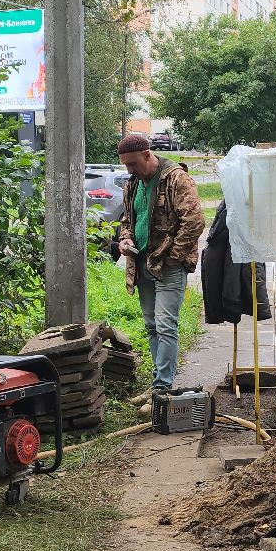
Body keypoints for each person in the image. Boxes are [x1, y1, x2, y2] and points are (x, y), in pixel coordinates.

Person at [113, 132, 204, 394]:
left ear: (147, 154)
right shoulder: (133, 184)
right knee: (152, 326)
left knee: (165, 326)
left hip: (168, 266)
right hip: (142, 264)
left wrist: (173, 257)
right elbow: (127, 222)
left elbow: (194, 221)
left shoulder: (176, 178)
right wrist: (125, 239)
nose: (129, 170)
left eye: (132, 164)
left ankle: (162, 388)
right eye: (125, 165)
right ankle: (159, 383)